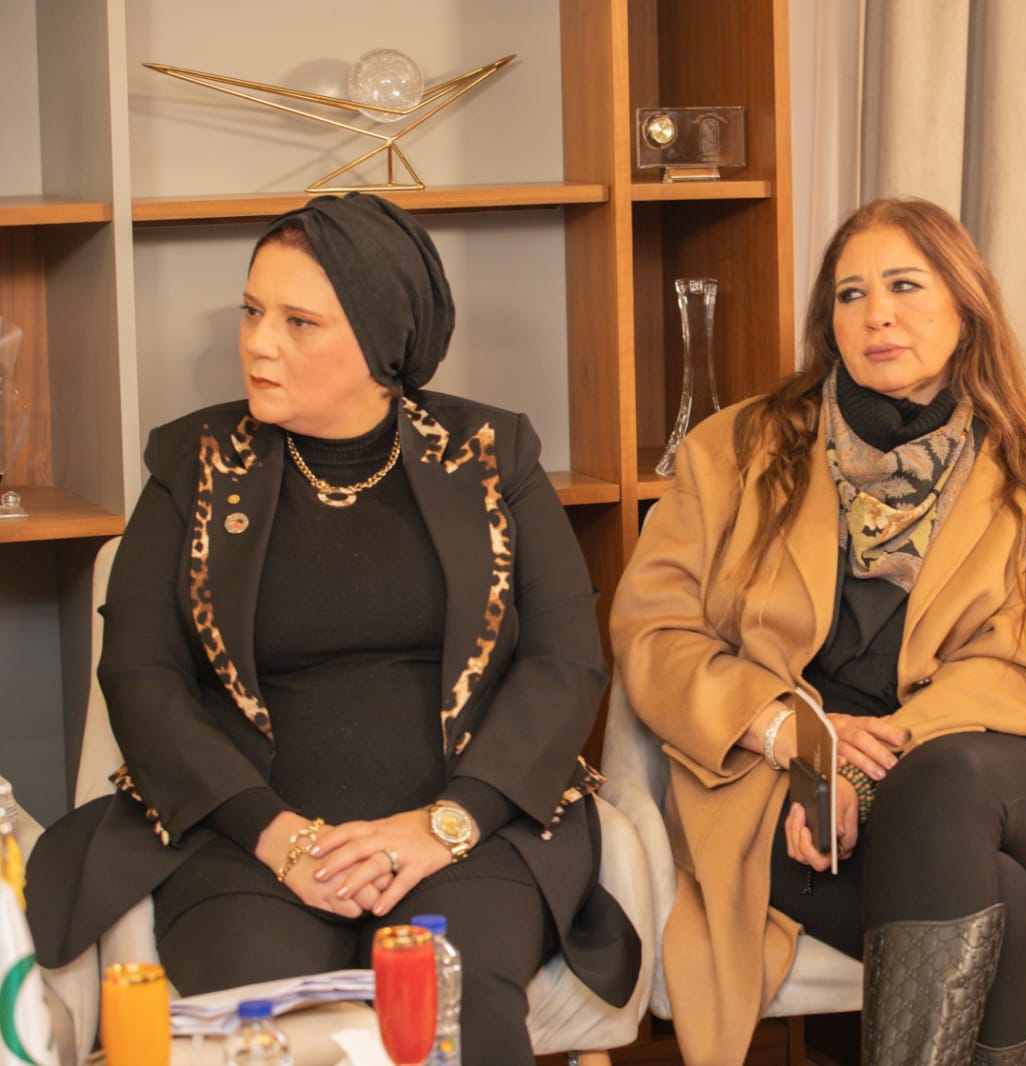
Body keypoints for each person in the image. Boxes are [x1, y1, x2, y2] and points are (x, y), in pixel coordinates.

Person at [26, 192, 639, 1063]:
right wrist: (276, 836)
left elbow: (564, 660)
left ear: (383, 342)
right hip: (243, 839)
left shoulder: (493, 454)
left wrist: (447, 823)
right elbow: (140, 674)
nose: (258, 342)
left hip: (470, 831)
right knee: (267, 1018)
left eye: (298, 322)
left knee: (455, 1009)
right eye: (251, 312)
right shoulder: (192, 465)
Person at [611, 197, 1026, 1066]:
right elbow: (655, 633)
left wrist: (859, 773)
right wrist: (796, 738)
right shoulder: (733, 450)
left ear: (965, 306)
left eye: (904, 286)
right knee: (1004, 910)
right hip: (776, 778)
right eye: (851, 294)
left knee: (944, 781)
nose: (877, 315)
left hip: (994, 761)